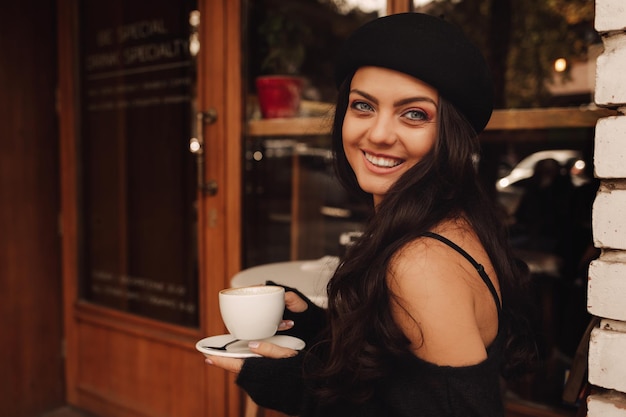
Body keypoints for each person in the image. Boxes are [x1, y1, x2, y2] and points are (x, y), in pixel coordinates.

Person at [206, 13, 534, 416]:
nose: (378, 134)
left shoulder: (421, 264)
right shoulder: (450, 219)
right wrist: (318, 329)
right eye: (363, 106)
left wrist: (298, 389)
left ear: (451, 133)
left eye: (414, 114)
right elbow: (403, 372)